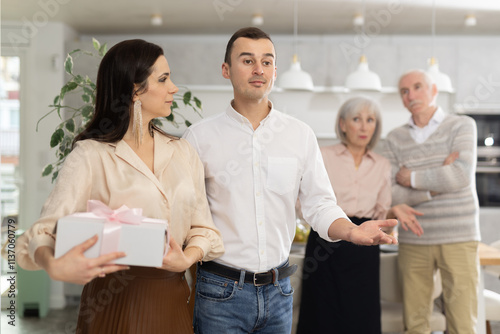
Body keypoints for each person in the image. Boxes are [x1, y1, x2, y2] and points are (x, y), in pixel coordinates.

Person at [182, 27, 397, 334]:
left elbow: (319, 204)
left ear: (275, 71)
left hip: (278, 291)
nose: (259, 69)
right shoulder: (199, 138)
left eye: (267, 61)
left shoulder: (299, 135)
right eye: (247, 61)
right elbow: (184, 212)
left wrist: (351, 230)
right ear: (225, 69)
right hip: (220, 291)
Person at [15, 39, 224, 334]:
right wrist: (51, 263)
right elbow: (40, 233)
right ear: (134, 90)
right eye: (163, 79)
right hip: (112, 302)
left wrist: (186, 259)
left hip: (173, 301)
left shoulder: (183, 152)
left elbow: (204, 229)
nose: (174, 88)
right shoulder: (90, 156)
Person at [296, 96, 422, 334]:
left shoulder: (382, 164)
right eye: (357, 119)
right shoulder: (322, 155)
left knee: (361, 313)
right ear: (343, 124)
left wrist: (393, 212)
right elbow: (304, 202)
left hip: (364, 246)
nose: (364, 126)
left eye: (370, 120)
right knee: (321, 312)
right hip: (327, 240)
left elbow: (381, 209)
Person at [382, 69, 480, 334]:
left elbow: (460, 175)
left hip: (459, 236)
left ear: (434, 90)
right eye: (404, 91)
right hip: (414, 238)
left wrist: (410, 176)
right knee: (415, 325)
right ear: (401, 99)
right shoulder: (393, 139)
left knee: (463, 324)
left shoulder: (461, 125)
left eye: (417, 87)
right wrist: (436, 184)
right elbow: (390, 194)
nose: (411, 95)